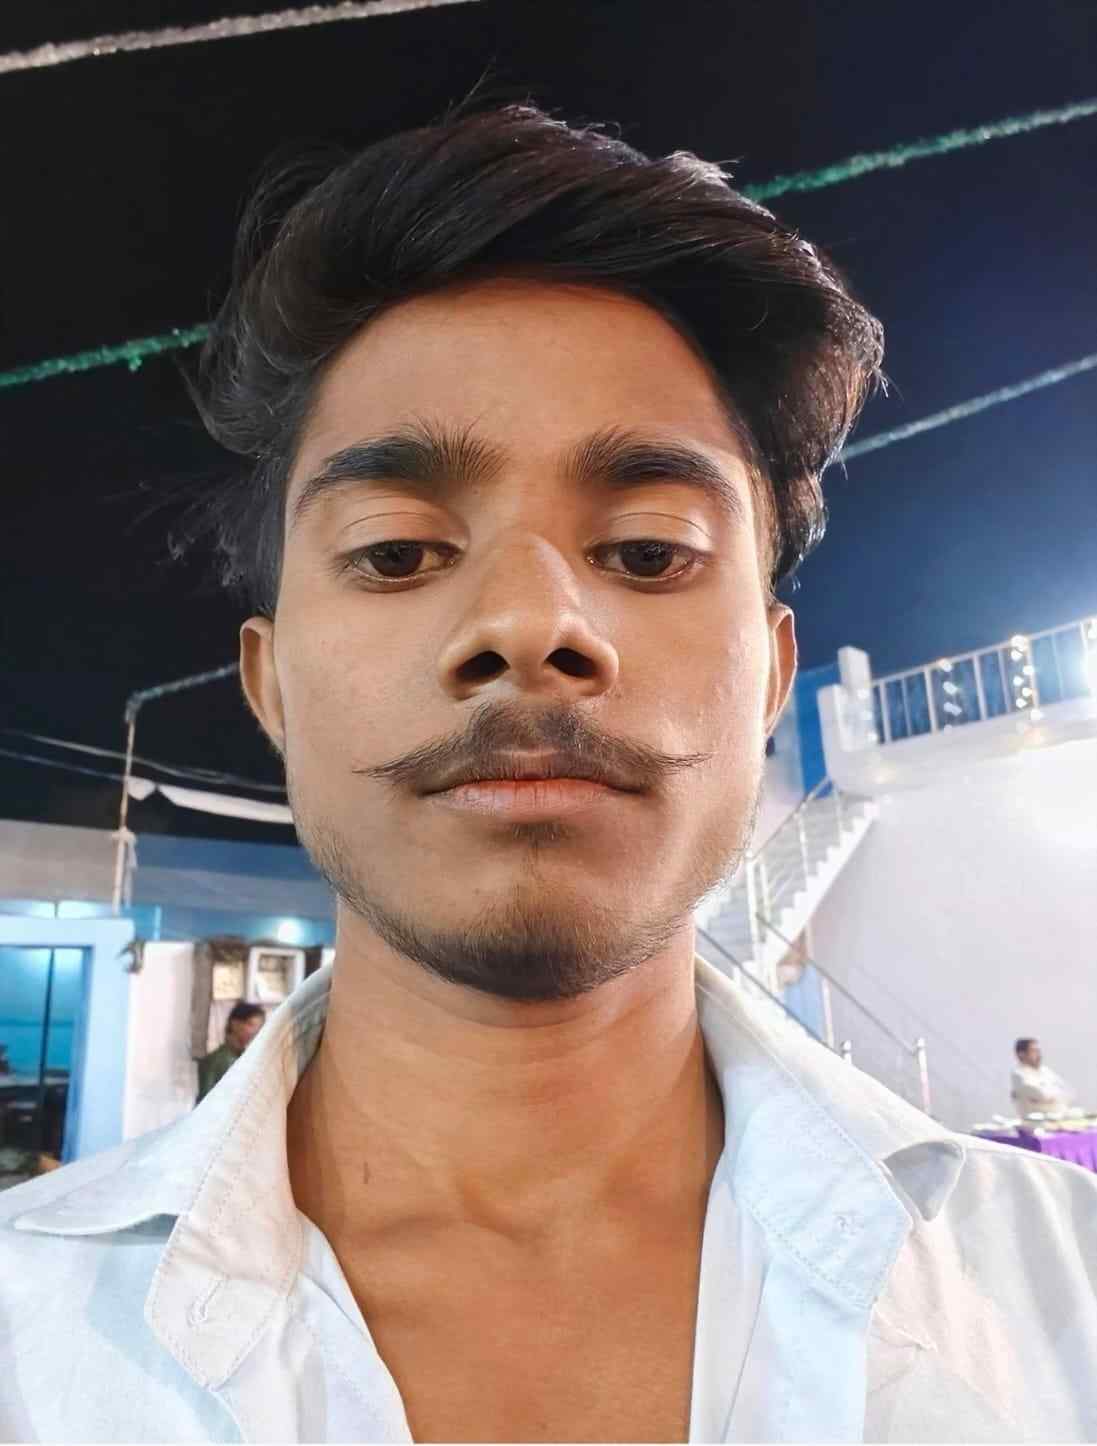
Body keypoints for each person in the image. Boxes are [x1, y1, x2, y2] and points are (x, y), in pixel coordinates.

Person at [2, 103, 1096, 1445]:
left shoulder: (1066, 1297)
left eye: (646, 550)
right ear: (270, 682)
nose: (529, 625)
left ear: (769, 675)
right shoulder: (25, 1334)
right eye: (397, 552)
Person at [195, 1001, 266, 1104]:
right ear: (235, 1023)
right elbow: (204, 1101)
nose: (255, 1032)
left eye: (259, 1027)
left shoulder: (246, 1059)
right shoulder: (216, 1061)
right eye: (251, 1024)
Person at [1011, 1036, 1075, 1118]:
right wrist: (1055, 1095)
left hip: (1059, 1117)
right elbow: (1041, 1095)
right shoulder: (1018, 1075)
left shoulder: (1045, 1071)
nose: (1038, 1054)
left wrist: (1052, 1097)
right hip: (1036, 1122)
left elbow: (1069, 1092)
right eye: (1034, 1051)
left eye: (1038, 1051)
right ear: (1021, 1054)